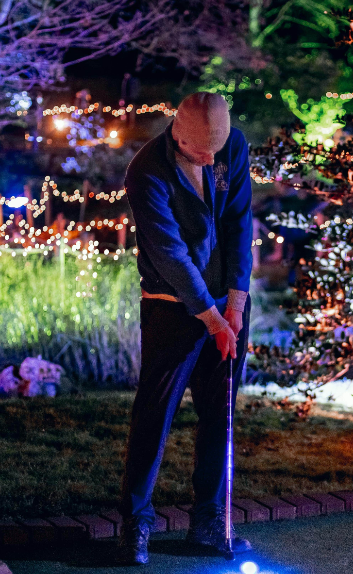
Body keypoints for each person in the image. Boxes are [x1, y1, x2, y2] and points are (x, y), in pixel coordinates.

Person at [118, 92, 253, 565]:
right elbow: (170, 254)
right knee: (156, 414)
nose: (212, 160)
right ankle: (135, 522)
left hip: (226, 303)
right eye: (202, 153)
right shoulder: (146, 170)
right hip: (170, 303)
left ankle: (209, 518)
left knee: (221, 412)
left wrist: (235, 302)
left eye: (217, 150)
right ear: (178, 135)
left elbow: (239, 221)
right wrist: (212, 318)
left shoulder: (232, 147)